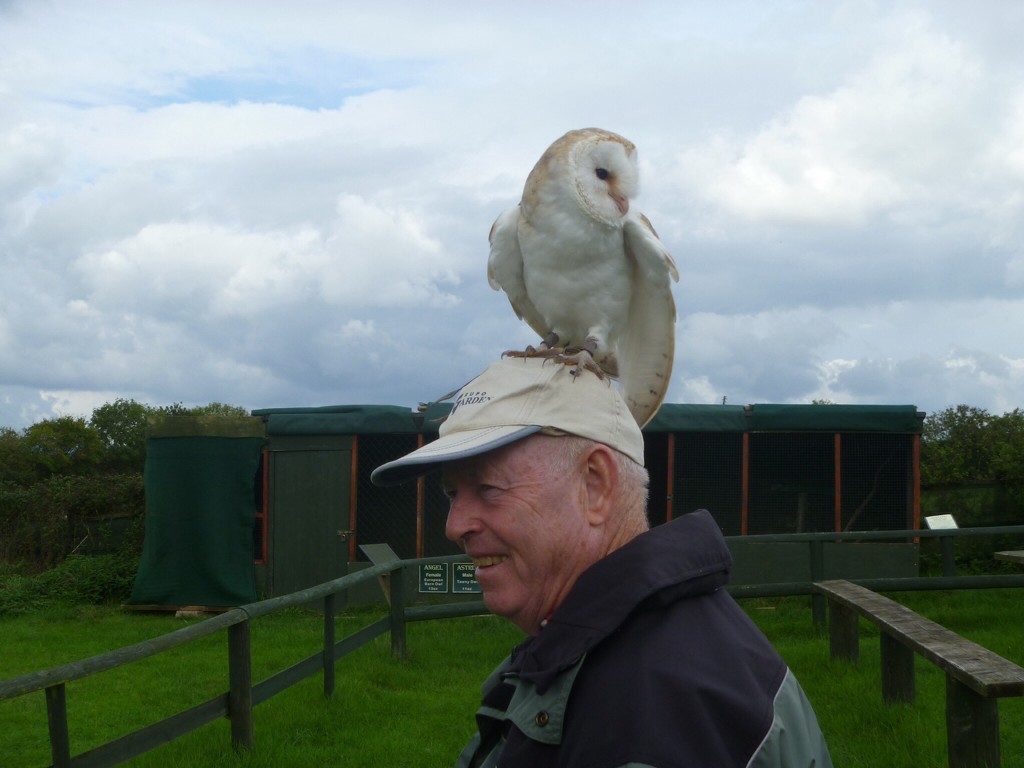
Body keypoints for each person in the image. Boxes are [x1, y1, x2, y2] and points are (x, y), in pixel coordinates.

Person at [371, 356, 833, 767]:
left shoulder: (659, 714)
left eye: (488, 488)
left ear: (595, 485)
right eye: (453, 494)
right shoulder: (603, 646)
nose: (455, 526)